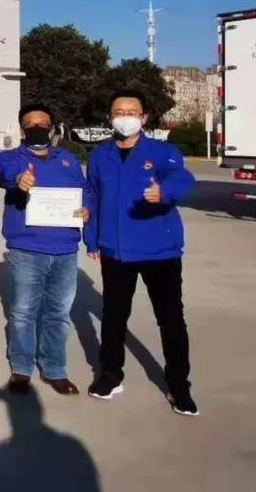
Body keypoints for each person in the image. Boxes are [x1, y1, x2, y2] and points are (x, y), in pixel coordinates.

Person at [85, 90, 198, 416]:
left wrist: (166, 192)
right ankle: (110, 375)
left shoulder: (162, 152)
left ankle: (178, 384)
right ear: (110, 118)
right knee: (114, 316)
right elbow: (92, 196)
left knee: (170, 318)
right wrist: (92, 239)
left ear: (144, 117)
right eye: (118, 111)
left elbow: (183, 178)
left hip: (159, 251)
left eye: (132, 111)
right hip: (116, 251)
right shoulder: (100, 156)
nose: (125, 117)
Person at [0, 104, 94, 396]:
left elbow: (85, 191)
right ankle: (22, 369)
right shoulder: (13, 158)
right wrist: (17, 180)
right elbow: (1, 171)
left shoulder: (68, 160)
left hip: (65, 249)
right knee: (23, 312)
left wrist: (87, 210)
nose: (37, 128)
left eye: (43, 124)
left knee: (58, 313)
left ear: (52, 128)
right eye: (30, 125)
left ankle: (55, 369)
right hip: (27, 249)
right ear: (23, 131)